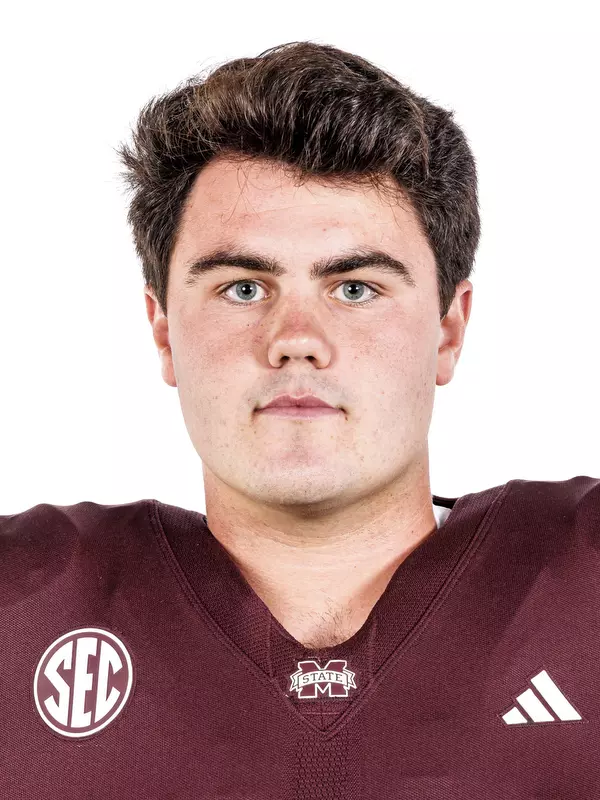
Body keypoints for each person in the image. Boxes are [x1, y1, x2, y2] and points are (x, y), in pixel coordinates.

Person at [1, 40, 598, 799]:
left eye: (354, 288)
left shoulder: (584, 587)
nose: (296, 341)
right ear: (163, 333)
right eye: (243, 288)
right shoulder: (22, 609)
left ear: (448, 331)